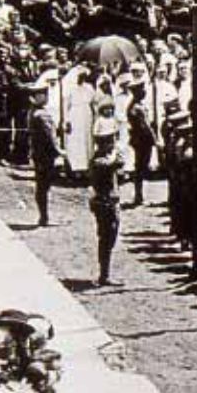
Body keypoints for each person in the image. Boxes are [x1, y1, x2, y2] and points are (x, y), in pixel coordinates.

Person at [89, 121, 125, 286]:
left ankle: (105, 273)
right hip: (105, 204)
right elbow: (116, 163)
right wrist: (116, 156)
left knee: (109, 239)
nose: (113, 144)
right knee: (106, 239)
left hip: (110, 202)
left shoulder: (104, 159)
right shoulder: (100, 161)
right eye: (110, 141)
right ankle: (104, 274)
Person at [28, 78, 59, 227]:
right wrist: (59, 151)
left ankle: (44, 216)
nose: (46, 98)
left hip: (38, 153)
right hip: (45, 154)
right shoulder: (41, 115)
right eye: (43, 95)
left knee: (42, 186)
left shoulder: (34, 112)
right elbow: (49, 136)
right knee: (43, 186)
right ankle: (44, 217)